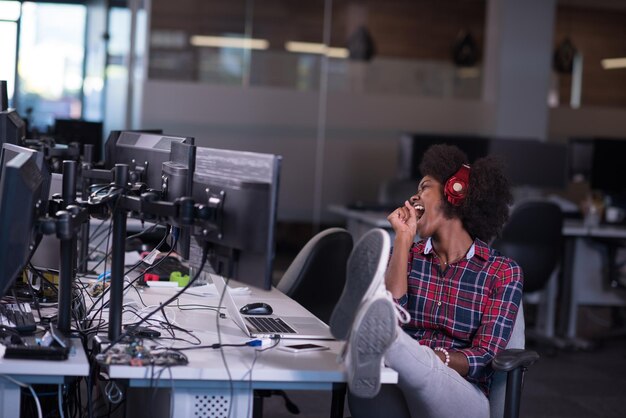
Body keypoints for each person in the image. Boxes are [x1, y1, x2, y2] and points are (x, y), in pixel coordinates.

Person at [330, 144, 523, 418]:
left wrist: (436, 357)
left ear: (455, 192)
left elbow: (484, 356)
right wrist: (403, 239)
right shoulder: (407, 255)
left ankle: (379, 342)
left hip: (462, 392)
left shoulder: (502, 271)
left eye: (424, 187)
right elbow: (393, 312)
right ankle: (378, 342)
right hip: (400, 378)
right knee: (377, 373)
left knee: (422, 367)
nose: (414, 197)